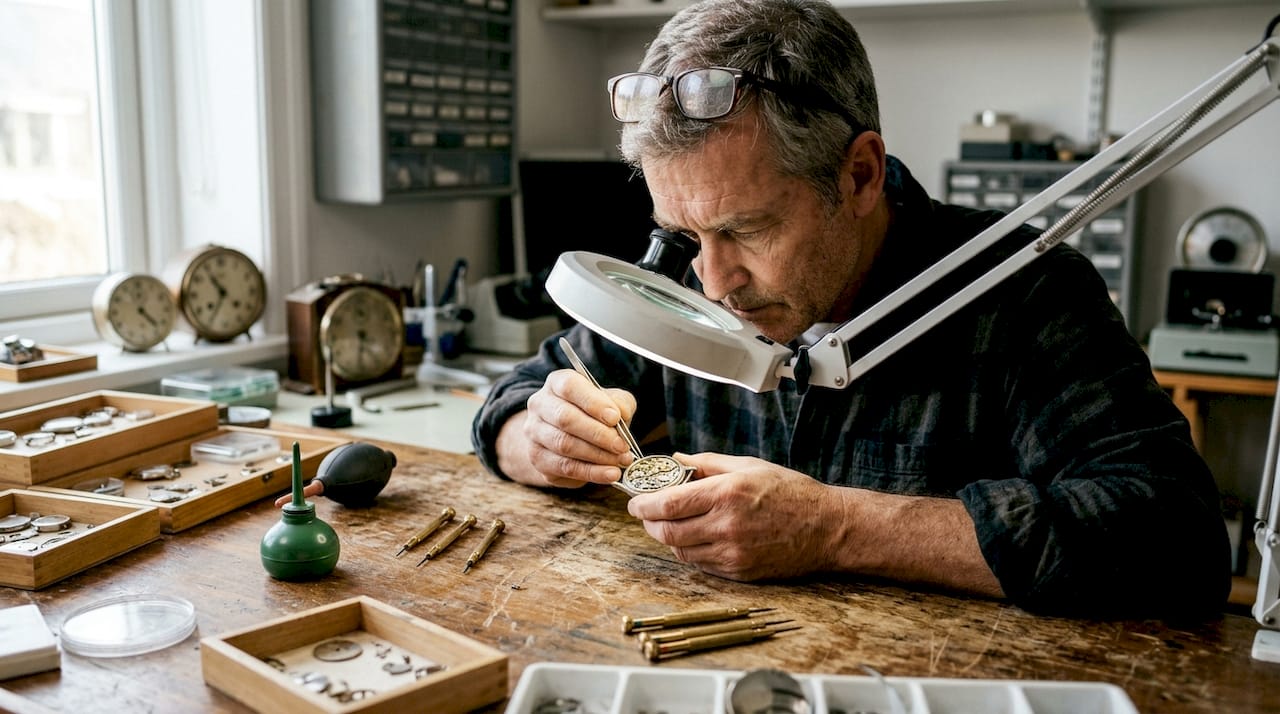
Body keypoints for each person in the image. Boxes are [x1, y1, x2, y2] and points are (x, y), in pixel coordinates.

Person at [472, 0, 1230, 617]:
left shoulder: (1025, 292)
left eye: (745, 229)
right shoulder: (688, 274)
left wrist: (836, 527)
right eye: (682, 233)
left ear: (860, 175)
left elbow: (1176, 540)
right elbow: (517, 394)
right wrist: (531, 436)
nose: (713, 282)